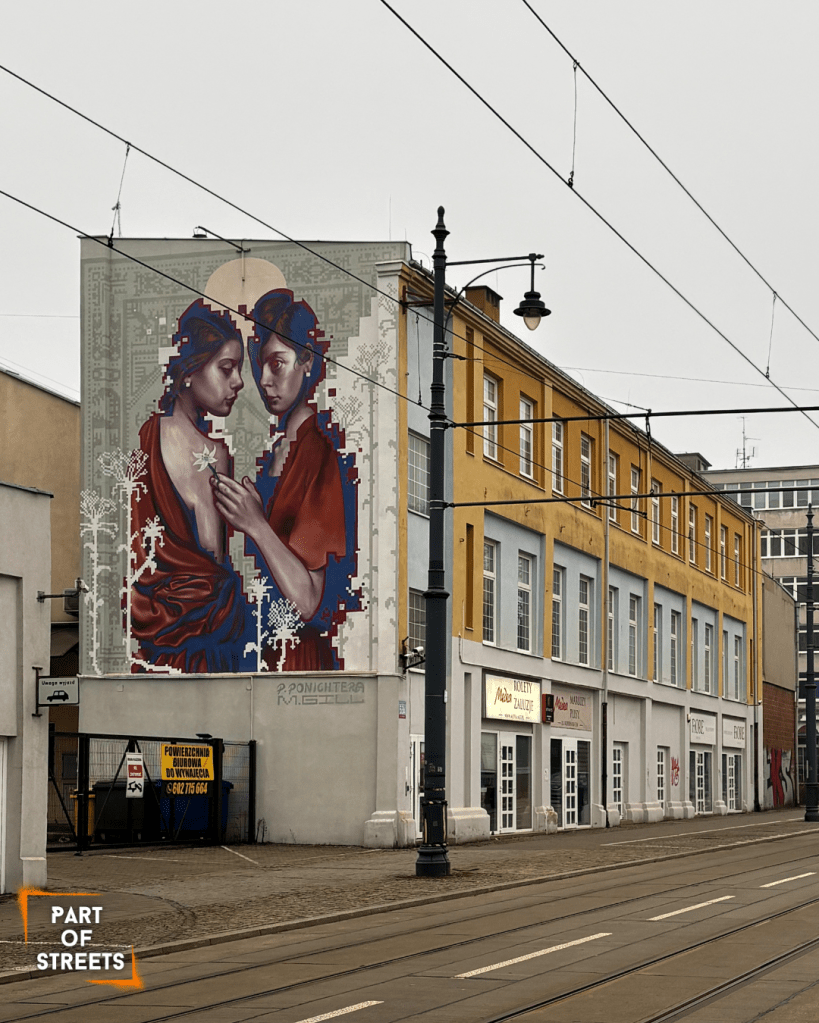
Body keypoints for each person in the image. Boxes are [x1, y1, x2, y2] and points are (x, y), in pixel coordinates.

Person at [213, 290, 358, 670]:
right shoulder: (276, 453)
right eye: (259, 366)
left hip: (297, 663)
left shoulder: (319, 454)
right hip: (261, 654)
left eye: (277, 364)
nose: (263, 380)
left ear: (307, 361)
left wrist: (255, 525)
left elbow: (309, 599)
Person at [130, 299, 248, 672]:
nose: (239, 382)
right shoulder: (213, 455)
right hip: (199, 639)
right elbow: (213, 559)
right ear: (189, 371)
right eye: (226, 368)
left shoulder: (146, 435)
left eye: (239, 369)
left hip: (151, 631)